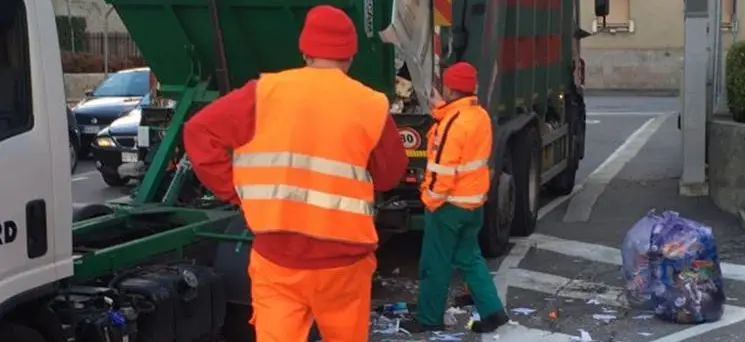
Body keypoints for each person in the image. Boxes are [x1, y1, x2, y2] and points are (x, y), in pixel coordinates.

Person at [182, 5, 408, 342]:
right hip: (344, 264)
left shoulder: (263, 93)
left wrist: (236, 191)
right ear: (350, 56)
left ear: (305, 51)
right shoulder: (370, 104)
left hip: (277, 258)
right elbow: (390, 175)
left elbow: (199, 132)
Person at [401, 62, 509, 333]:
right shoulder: (479, 115)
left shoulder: (451, 123)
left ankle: (429, 318)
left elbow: (442, 170)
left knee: (435, 263)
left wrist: (429, 200)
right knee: (469, 257)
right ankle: (493, 311)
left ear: (449, 88)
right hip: (473, 204)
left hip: (447, 205)